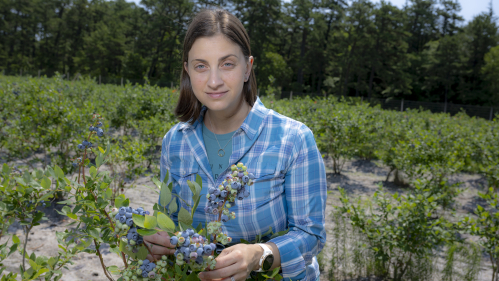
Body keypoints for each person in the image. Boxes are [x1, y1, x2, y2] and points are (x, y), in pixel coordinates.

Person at [143, 8, 327, 281]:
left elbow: (311, 235)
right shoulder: (175, 142)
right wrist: (160, 241)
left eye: (227, 64)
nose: (214, 81)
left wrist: (260, 254)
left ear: (247, 68)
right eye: (201, 66)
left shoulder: (293, 139)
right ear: (187, 71)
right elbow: (170, 222)